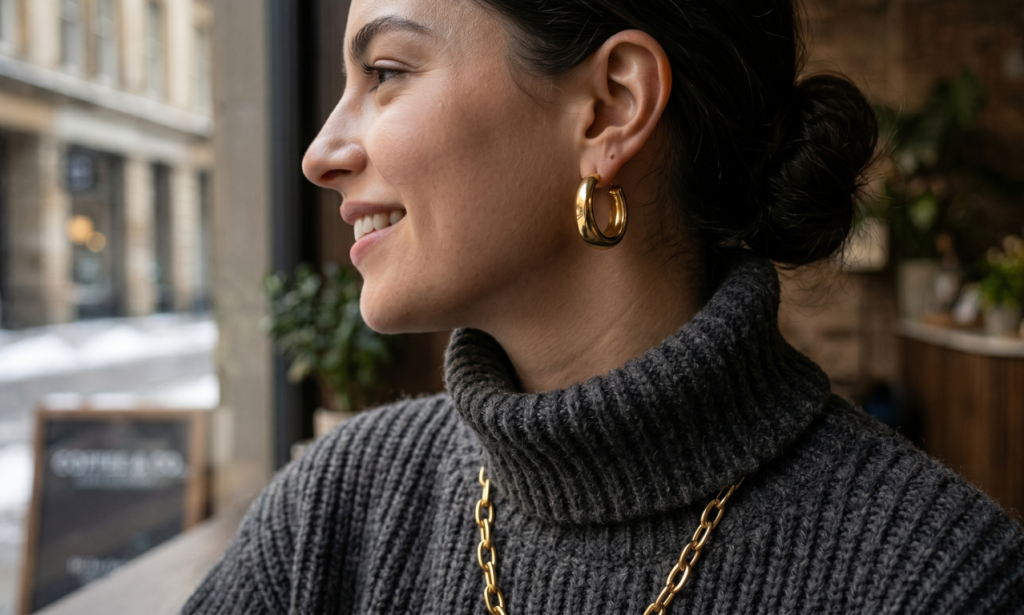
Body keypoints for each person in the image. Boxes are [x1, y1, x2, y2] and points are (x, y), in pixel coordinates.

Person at [184, 0, 1024, 613]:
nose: (320, 153)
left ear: (611, 106)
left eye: (385, 73)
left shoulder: (939, 579)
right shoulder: (340, 509)